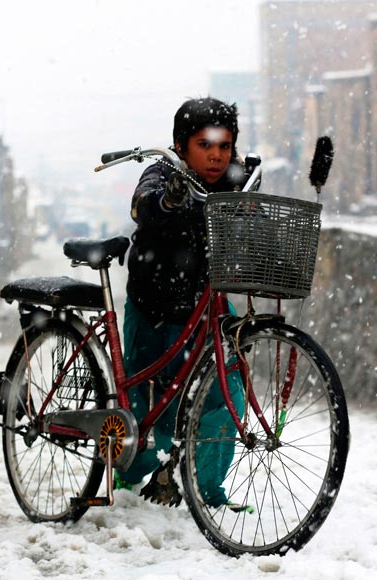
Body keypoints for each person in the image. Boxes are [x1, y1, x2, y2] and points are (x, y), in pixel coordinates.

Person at [116, 97, 247, 509]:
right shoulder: (162, 172)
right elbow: (144, 204)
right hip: (152, 306)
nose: (216, 155)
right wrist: (169, 200)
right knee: (139, 399)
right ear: (179, 145)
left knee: (226, 397)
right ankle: (130, 481)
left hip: (204, 307)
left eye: (224, 146)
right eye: (205, 144)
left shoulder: (233, 179)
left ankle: (205, 490)